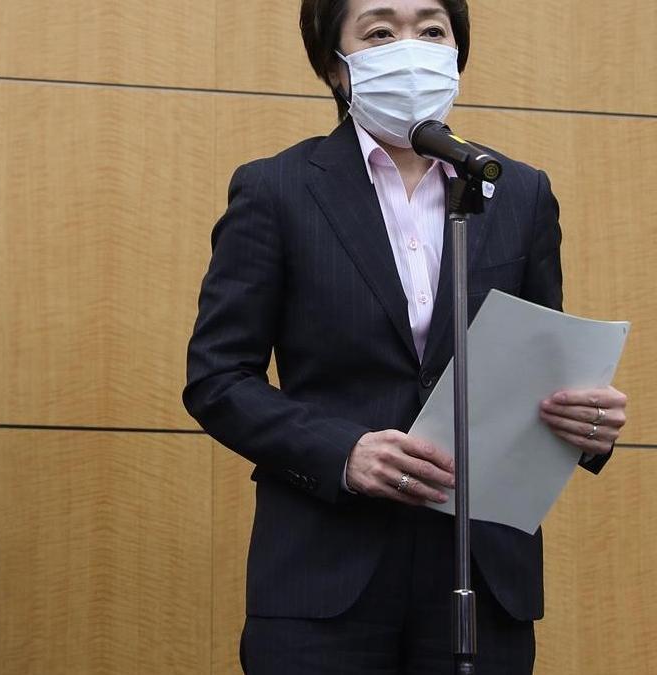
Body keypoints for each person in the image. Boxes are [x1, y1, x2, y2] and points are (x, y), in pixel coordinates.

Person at [183, 1, 626, 673]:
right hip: (324, 572)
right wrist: (344, 450)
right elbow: (217, 379)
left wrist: (588, 423)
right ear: (337, 65)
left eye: (431, 30)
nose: (410, 48)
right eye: (381, 32)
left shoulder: (520, 192)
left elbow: (542, 363)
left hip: (480, 572)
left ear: (457, 52)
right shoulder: (276, 191)